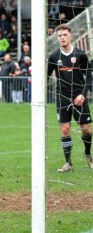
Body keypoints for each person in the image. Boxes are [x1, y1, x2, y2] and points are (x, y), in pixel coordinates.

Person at [47, 24, 93, 172]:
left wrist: (83, 95)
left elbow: (89, 77)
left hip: (79, 96)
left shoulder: (80, 55)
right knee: (65, 130)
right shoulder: (54, 57)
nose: (62, 38)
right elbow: (47, 76)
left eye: (65, 34)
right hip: (62, 97)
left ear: (71, 36)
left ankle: (87, 153)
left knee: (87, 130)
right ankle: (68, 163)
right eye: (59, 35)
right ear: (57, 38)